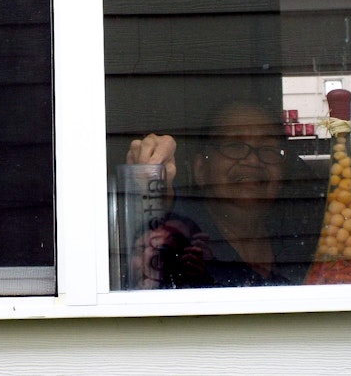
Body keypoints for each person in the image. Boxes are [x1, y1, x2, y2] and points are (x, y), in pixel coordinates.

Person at [124, 100, 324, 289]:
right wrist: (150, 170)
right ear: (201, 170)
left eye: (268, 149)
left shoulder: (301, 239)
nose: (253, 160)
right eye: (235, 146)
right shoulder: (181, 236)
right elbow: (160, 208)